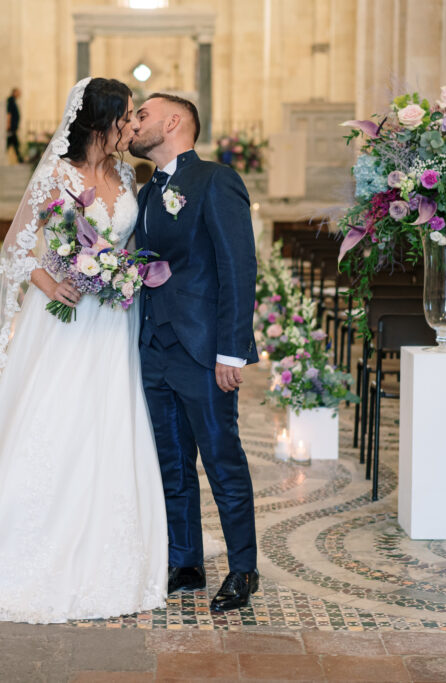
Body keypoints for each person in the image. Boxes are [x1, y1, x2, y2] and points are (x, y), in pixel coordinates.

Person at [0, 78, 168, 624]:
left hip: (113, 320)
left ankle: (111, 540)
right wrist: (52, 281)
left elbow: (132, 244)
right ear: (102, 121)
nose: (133, 127)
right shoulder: (57, 174)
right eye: (127, 118)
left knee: (109, 421)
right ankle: (22, 539)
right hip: (64, 318)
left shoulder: (125, 173)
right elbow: (16, 250)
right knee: (55, 420)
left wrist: (122, 274)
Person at [129, 94, 261, 612]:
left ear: (173, 121)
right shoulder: (144, 192)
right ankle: (185, 561)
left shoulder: (215, 180)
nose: (134, 125)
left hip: (205, 350)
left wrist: (233, 350)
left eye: (142, 116)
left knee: (222, 459)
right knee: (172, 461)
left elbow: (238, 266)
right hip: (154, 346)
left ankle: (244, 569)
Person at [6, 87, 24, 163]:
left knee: (12, 143)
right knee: (14, 143)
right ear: (14, 92)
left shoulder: (13, 101)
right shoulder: (10, 101)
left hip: (13, 128)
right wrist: (8, 124)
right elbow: (8, 114)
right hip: (11, 128)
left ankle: (20, 159)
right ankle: (20, 160)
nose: (19, 94)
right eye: (18, 92)